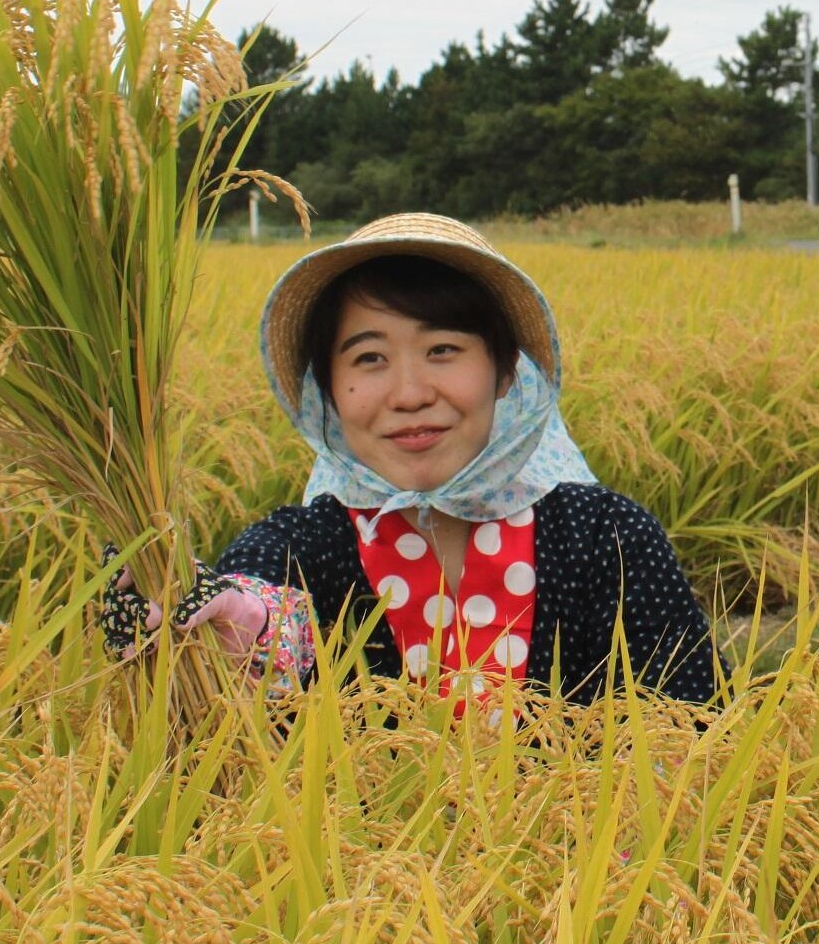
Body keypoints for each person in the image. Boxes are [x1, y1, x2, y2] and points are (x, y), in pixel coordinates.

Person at [98, 213, 722, 706]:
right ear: (328, 391)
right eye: (369, 358)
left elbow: (697, 729)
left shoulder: (607, 540)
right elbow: (261, 613)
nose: (410, 394)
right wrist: (222, 619)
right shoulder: (297, 549)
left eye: (444, 349)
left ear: (505, 372)